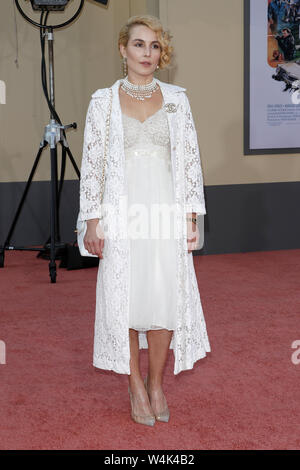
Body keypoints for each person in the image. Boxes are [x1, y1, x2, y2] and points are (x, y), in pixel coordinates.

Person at [79, 15, 210, 427]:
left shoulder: (176, 98)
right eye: (139, 45)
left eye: (154, 46)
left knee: (164, 296)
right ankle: (134, 384)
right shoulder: (103, 101)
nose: (147, 54)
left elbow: (190, 161)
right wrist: (92, 219)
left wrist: (190, 215)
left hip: (165, 211)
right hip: (122, 210)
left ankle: (156, 382)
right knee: (126, 297)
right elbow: (93, 164)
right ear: (123, 50)